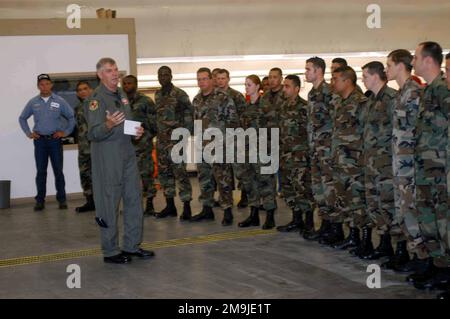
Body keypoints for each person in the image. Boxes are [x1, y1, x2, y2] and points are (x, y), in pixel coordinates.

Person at [85, 57, 153, 264]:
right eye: (109, 71)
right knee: (108, 203)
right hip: (108, 157)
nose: (115, 74)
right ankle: (110, 250)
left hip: (127, 154)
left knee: (134, 199)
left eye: (116, 70)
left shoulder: (122, 94)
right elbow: (93, 133)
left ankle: (132, 245)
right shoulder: (95, 99)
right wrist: (107, 124)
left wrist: (136, 131)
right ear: (100, 75)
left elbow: (126, 123)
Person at [409, 42, 450, 291]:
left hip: (440, 171)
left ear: (427, 61)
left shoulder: (443, 93)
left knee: (443, 223)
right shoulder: (429, 91)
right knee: (429, 221)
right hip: (425, 169)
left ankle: (445, 271)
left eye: (415, 57)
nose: (413, 61)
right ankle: (438, 266)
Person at [354, 62, 397, 259]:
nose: (363, 79)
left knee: (389, 204)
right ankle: (384, 244)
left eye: (365, 76)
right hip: (371, 163)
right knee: (375, 204)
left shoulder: (391, 98)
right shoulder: (369, 101)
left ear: (375, 76)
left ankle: (401, 250)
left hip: (386, 163)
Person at [322, 66, 368, 249]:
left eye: (335, 79)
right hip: (340, 162)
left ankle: (364, 240)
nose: (332, 83)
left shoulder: (360, 102)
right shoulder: (340, 102)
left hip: (355, 163)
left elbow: (366, 133)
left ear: (347, 81)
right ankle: (353, 236)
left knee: (357, 201)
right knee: (345, 200)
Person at [384, 49, 422, 271]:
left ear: (400, 65)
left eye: (389, 65)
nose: (386, 69)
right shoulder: (400, 94)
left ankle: (421, 259)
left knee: (411, 211)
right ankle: (409, 254)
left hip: (410, 168)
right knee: (401, 210)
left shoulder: (414, 93)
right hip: (399, 165)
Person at [19, 74, 75, 211]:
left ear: (51, 85)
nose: (44, 86)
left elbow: (71, 117)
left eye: (47, 84)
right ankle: (40, 201)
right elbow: (22, 118)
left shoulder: (60, 101)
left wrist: (65, 132)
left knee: (58, 171)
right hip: (40, 142)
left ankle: (62, 200)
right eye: (41, 84)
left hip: (55, 141)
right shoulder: (33, 102)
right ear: (38, 86)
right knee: (41, 172)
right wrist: (28, 133)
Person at [191, 67, 239, 226]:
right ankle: (207, 209)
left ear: (211, 79)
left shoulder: (222, 97)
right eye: (199, 79)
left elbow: (233, 121)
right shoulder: (197, 100)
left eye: (204, 79)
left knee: (223, 180)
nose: (201, 82)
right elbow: (197, 122)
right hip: (202, 146)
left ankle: (227, 211)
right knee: (204, 179)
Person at [154, 66, 194, 220]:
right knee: (165, 175)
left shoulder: (179, 94)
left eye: (165, 75)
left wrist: (185, 133)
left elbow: (190, 113)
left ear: (171, 76)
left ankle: (186, 206)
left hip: (176, 141)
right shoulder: (158, 94)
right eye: (160, 75)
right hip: (162, 142)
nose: (163, 77)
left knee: (181, 174)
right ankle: (170, 206)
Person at [237, 75, 277, 228]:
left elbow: (274, 130)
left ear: (257, 86)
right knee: (251, 184)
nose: (246, 87)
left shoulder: (266, 106)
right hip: (249, 152)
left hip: (263, 152)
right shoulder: (246, 108)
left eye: (249, 85)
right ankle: (253, 215)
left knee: (266, 183)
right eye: (245, 84)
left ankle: (270, 216)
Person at [302, 57, 334, 241]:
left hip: (327, 150)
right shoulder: (312, 94)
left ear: (318, 71)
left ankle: (333, 227)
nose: (306, 73)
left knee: (329, 190)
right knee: (319, 189)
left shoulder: (328, 92)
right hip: (315, 149)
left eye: (308, 69)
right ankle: (324, 225)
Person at [276, 75, 313, 233]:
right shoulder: (283, 107)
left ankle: (309, 221)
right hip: (285, 156)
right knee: (288, 189)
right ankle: (296, 219)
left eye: (287, 86)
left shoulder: (304, 107)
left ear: (297, 89)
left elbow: (310, 133)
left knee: (303, 189)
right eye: (284, 86)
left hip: (300, 157)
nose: (284, 89)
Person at [122, 75, 158, 216]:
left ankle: (149, 204)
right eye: (124, 83)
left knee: (146, 174)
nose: (126, 86)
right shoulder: (121, 102)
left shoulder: (145, 101)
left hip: (142, 145)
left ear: (135, 84)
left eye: (129, 83)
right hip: (126, 146)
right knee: (129, 177)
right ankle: (133, 206)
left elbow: (154, 124)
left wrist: (146, 137)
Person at [215, 68, 247, 208]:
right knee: (223, 173)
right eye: (219, 78)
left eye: (223, 78)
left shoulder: (236, 95)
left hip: (235, 138)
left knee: (239, 170)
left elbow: (243, 116)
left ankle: (245, 196)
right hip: (219, 141)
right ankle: (225, 198)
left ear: (228, 79)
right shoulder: (213, 96)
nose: (221, 81)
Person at [74, 81, 95, 213]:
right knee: (85, 175)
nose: (82, 91)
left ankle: (102, 202)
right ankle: (90, 201)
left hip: (95, 147)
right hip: (83, 148)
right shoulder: (78, 108)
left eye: (85, 89)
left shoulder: (96, 105)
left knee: (99, 176)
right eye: (80, 90)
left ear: (91, 90)